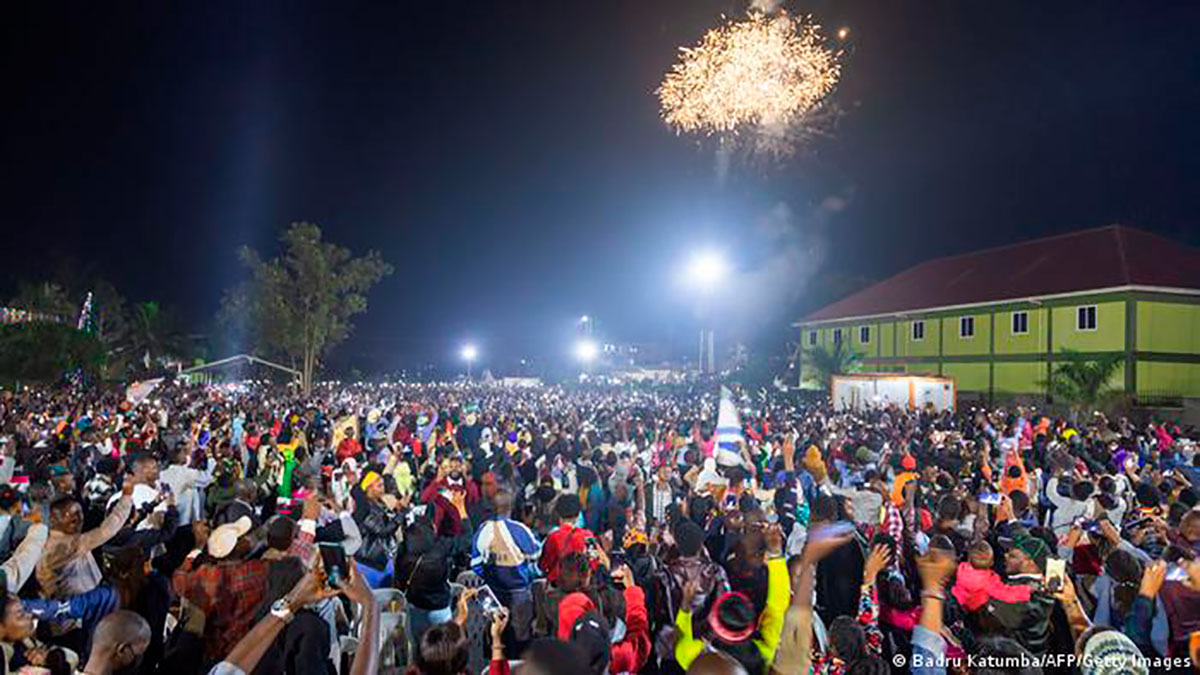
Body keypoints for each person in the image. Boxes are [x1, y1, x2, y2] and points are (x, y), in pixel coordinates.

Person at [470, 491, 541, 644]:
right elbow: (536, 555)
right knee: (520, 638)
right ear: (511, 507)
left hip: (493, 593)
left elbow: (475, 564)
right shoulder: (521, 529)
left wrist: (490, 577)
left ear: (491, 507)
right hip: (520, 593)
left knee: (495, 635)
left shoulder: (482, 530)